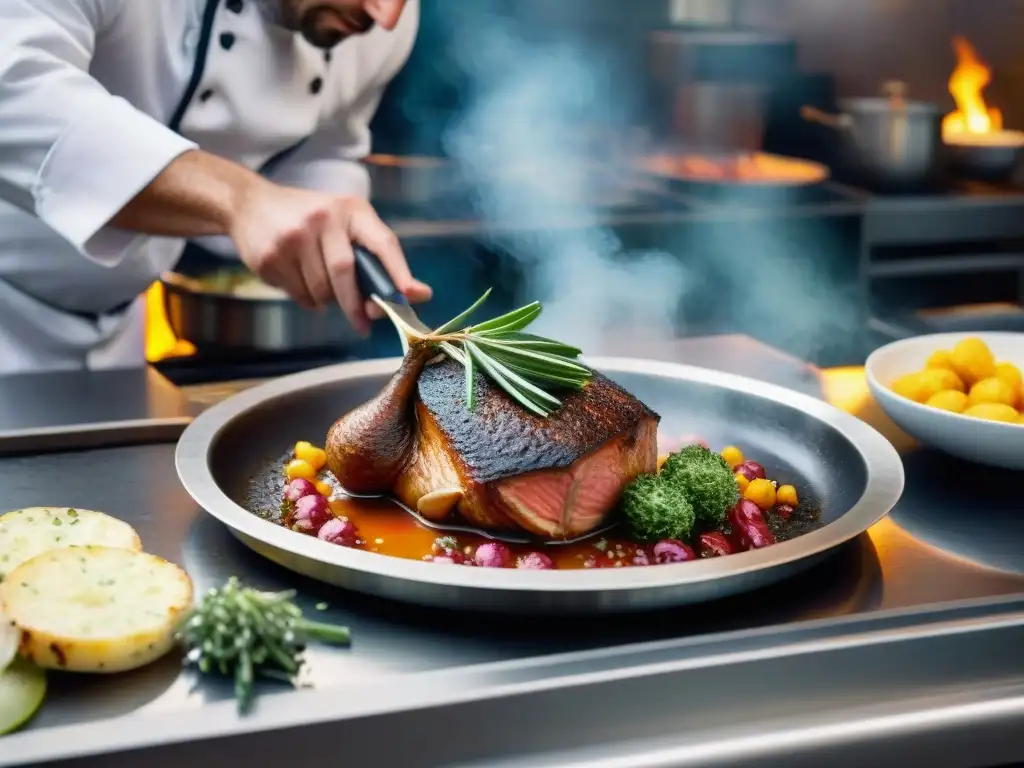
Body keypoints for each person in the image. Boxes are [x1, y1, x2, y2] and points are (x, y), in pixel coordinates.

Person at [0, 0, 432, 375]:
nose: (387, 16)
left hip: (119, 334)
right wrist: (241, 201)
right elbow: (16, 95)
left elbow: (327, 146)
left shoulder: (379, 29)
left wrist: (336, 229)